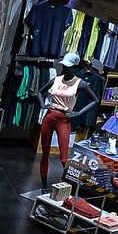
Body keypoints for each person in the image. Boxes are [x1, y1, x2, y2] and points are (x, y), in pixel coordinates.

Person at [37, 51, 98, 193]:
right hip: (49, 116)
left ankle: (68, 186)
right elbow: (40, 92)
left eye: (68, 67)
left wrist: (79, 112)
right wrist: (42, 104)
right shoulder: (56, 79)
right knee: (44, 153)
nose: (65, 69)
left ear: (75, 67)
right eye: (64, 66)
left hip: (64, 119)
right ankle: (44, 186)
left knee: (64, 158)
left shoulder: (79, 83)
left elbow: (95, 99)